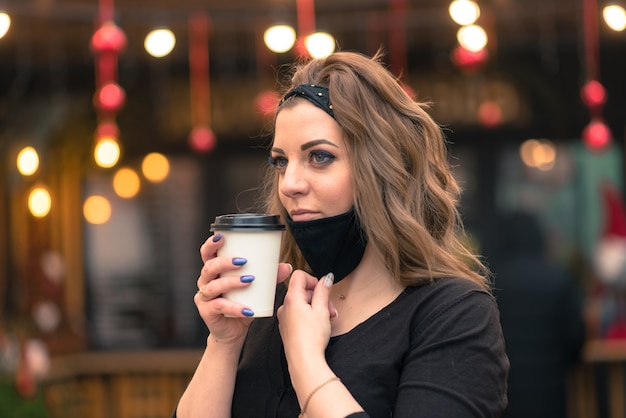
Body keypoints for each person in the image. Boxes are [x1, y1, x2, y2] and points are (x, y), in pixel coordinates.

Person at [173, 50, 509, 418]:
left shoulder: (452, 313)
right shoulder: (270, 310)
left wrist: (306, 362)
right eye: (281, 161)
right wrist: (224, 342)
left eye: (319, 156)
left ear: (384, 167)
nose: (290, 184)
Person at [486, 211, 585, 418]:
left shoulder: (489, 282)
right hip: (550, 395)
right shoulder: (558, 279)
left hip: (502, 399)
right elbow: (576, 337)